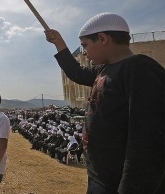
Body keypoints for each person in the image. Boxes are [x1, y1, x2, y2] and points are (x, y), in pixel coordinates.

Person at [45, 12, 164, 194]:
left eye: (85, 45)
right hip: (101, 177)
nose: (84, 52)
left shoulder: (141, 69)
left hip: (119, 183)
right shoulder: (105, 69)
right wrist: (59, 44)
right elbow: (77, 72)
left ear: (102, 38)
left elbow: (147, 142)